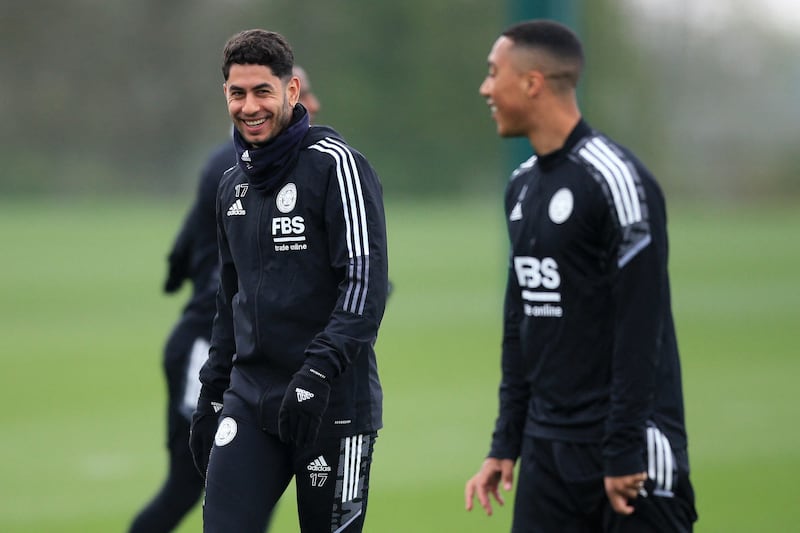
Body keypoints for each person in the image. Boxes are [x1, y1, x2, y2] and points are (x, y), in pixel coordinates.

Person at [464, 20, 697, 532]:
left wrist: (622, 450)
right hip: (547, 454)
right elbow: (518, 326)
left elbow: (643, 329)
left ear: (532, 83)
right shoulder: (521, 187)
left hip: (629, 455)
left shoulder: (616, 180)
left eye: (493, 73)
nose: (485, 88)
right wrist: (507, 442)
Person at [188, 29, 388, 533]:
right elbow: (229, 297)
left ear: (292, 92)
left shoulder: (336, 167)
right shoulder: (232, 184)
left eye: (263, 92)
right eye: (238, 93)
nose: (249, 106)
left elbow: (364, 284)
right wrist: (212, 389)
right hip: (251, 397)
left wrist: (317, 374)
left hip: (332, 404)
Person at [127, 64, 322, 533]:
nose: (312, 104)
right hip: (208, 345)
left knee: (249, 482)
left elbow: (186, 242)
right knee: (190, 484)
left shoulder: (304, 165)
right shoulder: (232, 168)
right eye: (305, 93)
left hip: (244, 345)